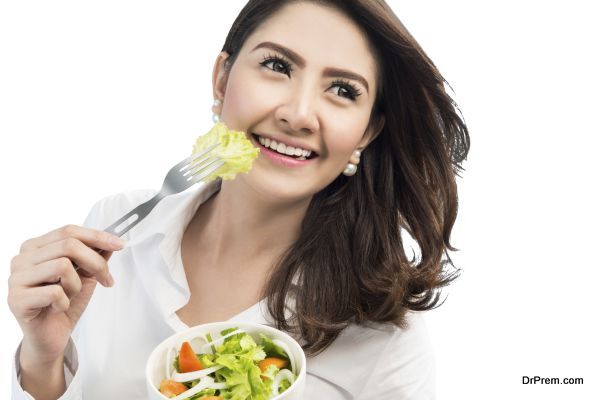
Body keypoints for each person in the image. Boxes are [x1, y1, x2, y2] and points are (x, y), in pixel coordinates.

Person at [8, 0, 470, 399]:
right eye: (278, 66)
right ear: (222, 80)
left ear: (366, 132)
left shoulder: (382, 335)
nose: (298, 114)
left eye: (342, 91)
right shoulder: (111, 234)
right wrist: (42, 360)